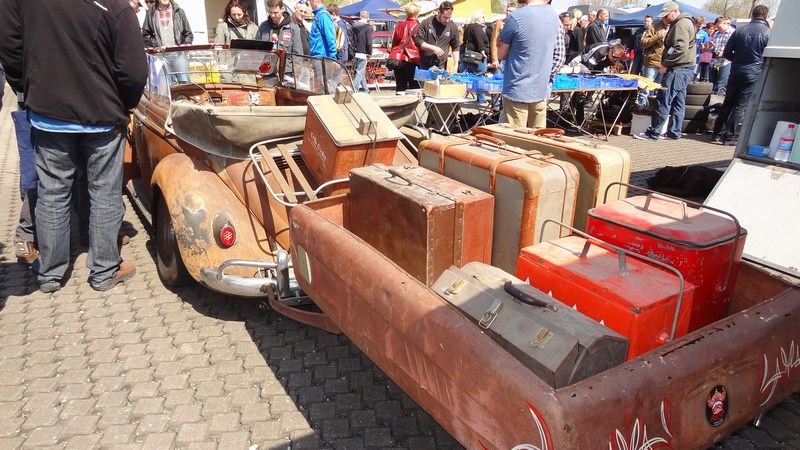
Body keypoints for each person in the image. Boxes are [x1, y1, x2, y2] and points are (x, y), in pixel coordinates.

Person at [0, 0, 148, 293]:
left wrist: (28, 86)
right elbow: (133, 72)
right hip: (101, 115)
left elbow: (9, 43)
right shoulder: (117, 7)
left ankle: (50, 273)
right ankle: (103, 270)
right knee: (104, 193)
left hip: (50, 110)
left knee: (52, 192)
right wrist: (124, 104)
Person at [633, 1, 696, 141]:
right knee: (678, 102)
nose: (665, 19)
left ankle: (653, 132)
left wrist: (666, 64)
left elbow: (680, 48)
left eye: (667, 15)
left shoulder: (681, 24)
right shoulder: (686, 22)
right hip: (684, 68)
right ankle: (674, 132)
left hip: (677, 68)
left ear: (675, 11)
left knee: (663, 100)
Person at [496, 0, 564, 129]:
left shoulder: (516, 17)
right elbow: (559, 55)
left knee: (514, 138)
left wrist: (502, 43)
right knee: (537, 137)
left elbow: (500, 54)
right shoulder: (555, 17)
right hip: (540, 89)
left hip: (517, 89)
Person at [711, 5, 771, 146]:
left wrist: (737, 60)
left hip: (736, 70)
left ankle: (716, 134)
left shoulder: (739, 31)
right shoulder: (768, 33)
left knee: (727, 103)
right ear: (766, 16)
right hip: (753, 72)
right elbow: (768, 56)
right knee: (740, 106)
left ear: (752, 15)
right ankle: (729, 138)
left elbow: (727, 53)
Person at [142, 0, 194, 83]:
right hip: (160, 57)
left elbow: (188, 33)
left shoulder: (180, 12)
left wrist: (184, 45)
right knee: (165, 88)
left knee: (185, 85)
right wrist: (155, 46)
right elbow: (145, 35)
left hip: (179, 55)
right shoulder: (150, 13)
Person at [257, 0, 305, 73]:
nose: (273, 15)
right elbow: (257, 51)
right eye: (270, 12)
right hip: (266, 72)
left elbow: (297, 55)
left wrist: (296, 75)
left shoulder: (293, 28)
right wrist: (257, 69)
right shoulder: (263, 27)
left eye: (276, 12)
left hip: (286, 73)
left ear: (282, 9)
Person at [415, 1, 460, 71]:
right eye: (445, 17)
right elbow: (418, 41)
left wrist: (456, 65)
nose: (447, 20)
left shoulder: (452, 27)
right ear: (439, 13)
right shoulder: (427, 23)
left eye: (449, 17)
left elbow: (456, 47)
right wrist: (433, 48)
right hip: (425, 65)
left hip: (441, 66)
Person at [390, 2, 421, 95]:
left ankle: (399, 103)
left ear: (406, 12)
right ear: (417, 13)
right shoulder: (420, 27)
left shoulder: (399, 26)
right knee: (415, 88)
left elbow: (394, 44)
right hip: (414, 59)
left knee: (400, 87)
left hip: (399, 60)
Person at [638, 14, 668, 107]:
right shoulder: (653, 27)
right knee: (646, 88)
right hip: (652, 63)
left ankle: (653, 109)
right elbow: (644, 44)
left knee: (658, 90)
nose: (667, 19)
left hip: (664, 63)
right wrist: (658, 36)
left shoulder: (674, 27)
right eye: (665, 17)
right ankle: (641, 108)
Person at [490, 3, 517, 73]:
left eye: (511, 11)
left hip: (513, 59)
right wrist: (494, 59)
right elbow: (494, 41)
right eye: (507, 10)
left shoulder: (518, 24)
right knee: (498, 77)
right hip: (501, 59)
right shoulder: (500, 23)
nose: (508, 12)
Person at [709, 16, 733, 95]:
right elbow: (713, 48)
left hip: (725, 62)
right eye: (717, 27)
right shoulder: (716, 34)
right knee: (711, 84)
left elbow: (735, 48)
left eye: (719, 27)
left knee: (721, 85)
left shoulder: (732, 33)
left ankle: (719, 101)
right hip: (714, 62)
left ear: (725, 23)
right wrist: (710, 47)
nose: (718, 29)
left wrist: (724, 53)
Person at [351, 11, 373, 92]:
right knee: (360, 72)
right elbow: (369, 42)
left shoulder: (353, 26)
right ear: (367, 18)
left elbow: (351, 39)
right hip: (363, 52)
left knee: (361, 71)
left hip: (355, 52)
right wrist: (370, 52)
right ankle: (354, 88)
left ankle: (366, 89)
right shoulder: (367, 28)